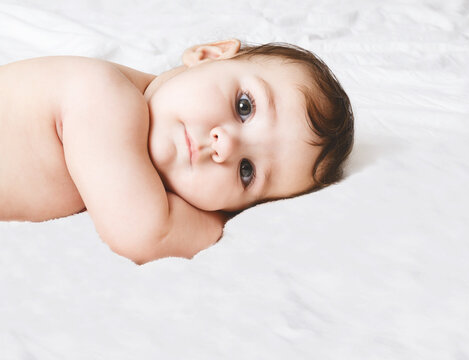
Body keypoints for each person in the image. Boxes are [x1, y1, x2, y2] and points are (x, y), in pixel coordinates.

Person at [0, 39, 354, 264]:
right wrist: (219, 221)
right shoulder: (105, 95)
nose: (225, 145)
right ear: (208, 55)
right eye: (244, 106)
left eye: (247, 171)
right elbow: (144, 234)